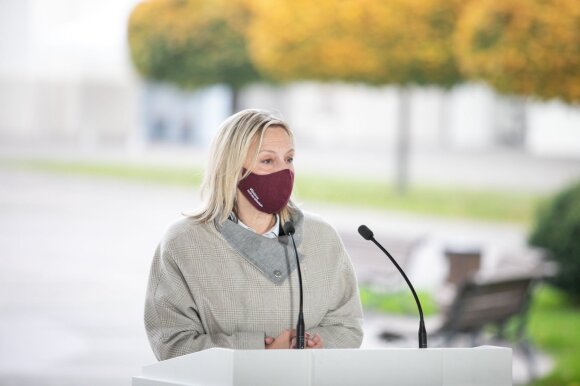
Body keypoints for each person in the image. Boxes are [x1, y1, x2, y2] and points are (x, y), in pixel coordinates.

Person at [144, 109, 363, 360]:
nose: (284, 171)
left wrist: (318, 345)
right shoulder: (183, 242)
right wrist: (261, 352)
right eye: (268, 161)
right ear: (233, 168)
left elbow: (347, 326)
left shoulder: (321, 236)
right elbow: (171, 342)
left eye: (289, 159)